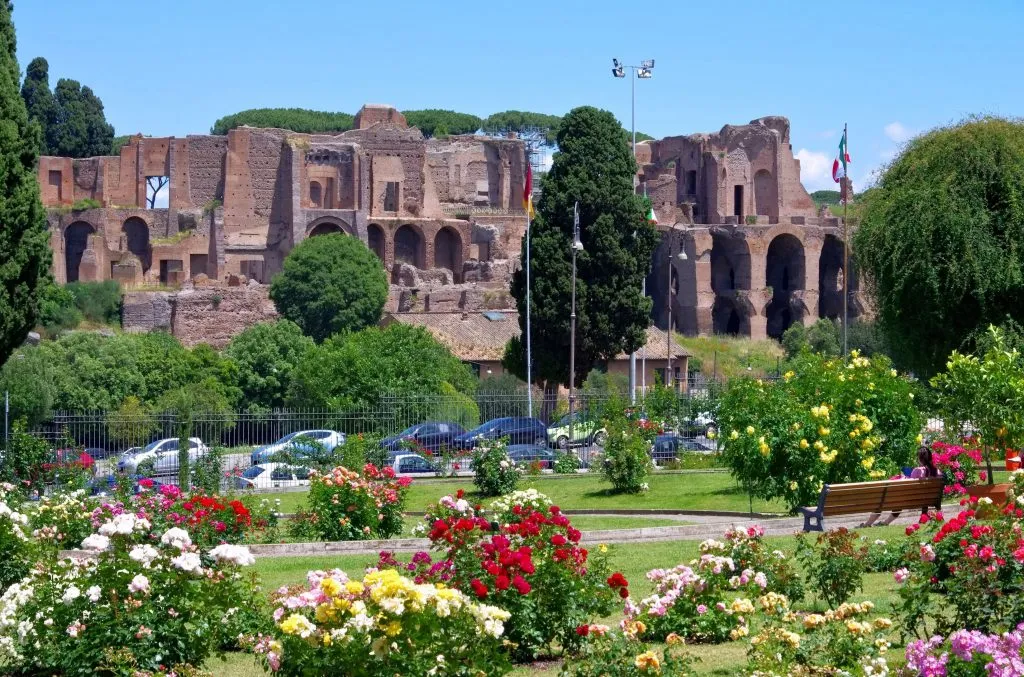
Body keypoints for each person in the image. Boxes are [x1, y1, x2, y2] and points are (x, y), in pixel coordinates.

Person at [858, 445, 940, 527]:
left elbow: (909, 487)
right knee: (899, 499)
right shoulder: (937, 472)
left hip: (909, 501)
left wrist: (903, 477)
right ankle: (885, 523)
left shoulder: (917, 470)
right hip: (926, 500)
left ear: (919, 458)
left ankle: (868, 524)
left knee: (896, 499)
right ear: (930, 457)